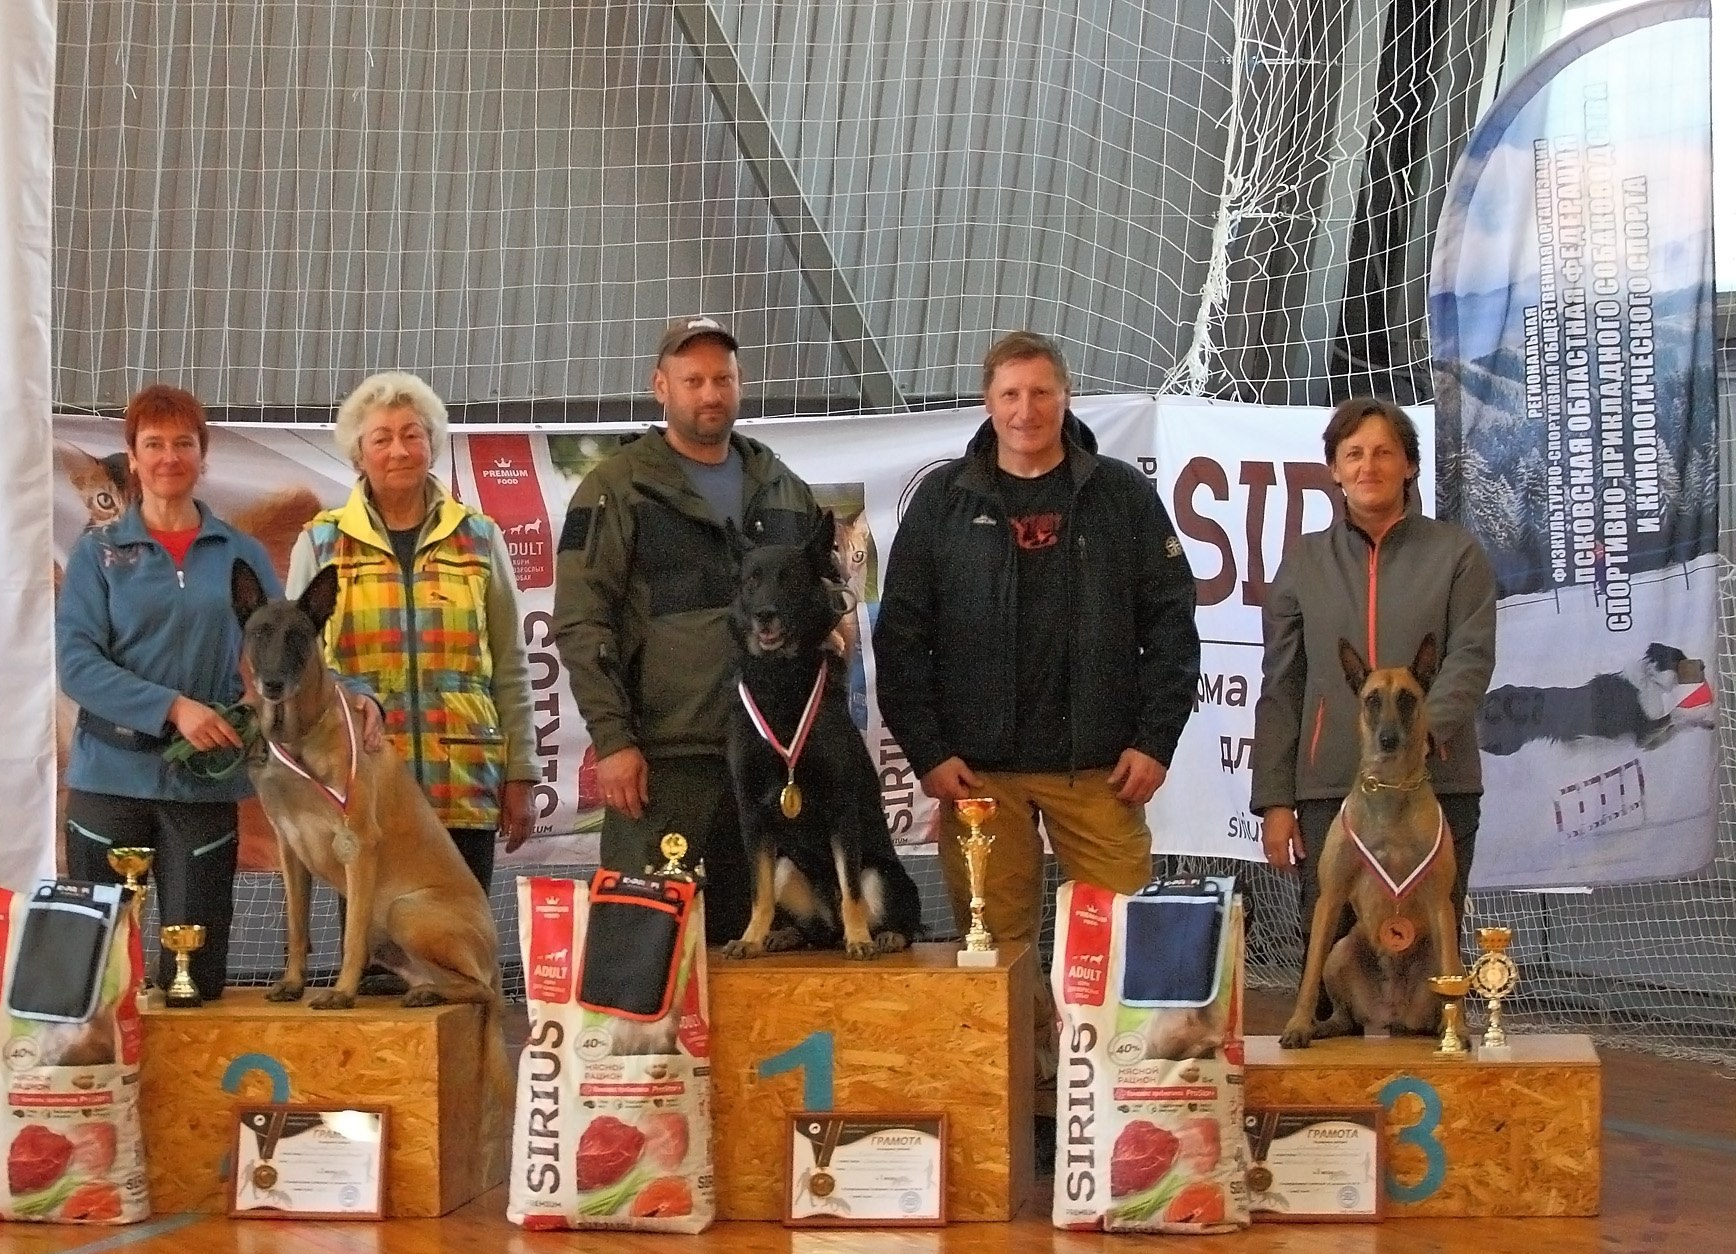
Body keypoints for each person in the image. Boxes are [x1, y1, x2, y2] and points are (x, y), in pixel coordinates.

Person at [873, 331, 1199, 1077]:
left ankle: (1117, 1093)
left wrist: (1155, 740)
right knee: (995, 953)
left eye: (1041, 392)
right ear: (988, 403)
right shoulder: (942, 501)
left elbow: (1172, 627)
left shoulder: (1121, 495)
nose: (1027, 410)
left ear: (1066, 396)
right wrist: (929, 753)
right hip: (980, 779)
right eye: (1011, 394)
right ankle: (1021, 1100)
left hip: (1101, 772)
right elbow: (901, 640)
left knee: (1122, 939)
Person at [554, 316, 820, 944]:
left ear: (740, 385)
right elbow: (582, 621)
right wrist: (613, 742)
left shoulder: (784, 487)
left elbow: (826, 591)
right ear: (661, 387)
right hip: (663, 758)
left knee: (773, 957)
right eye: (693, 380)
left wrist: (833, 622)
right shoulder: (616, 488)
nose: (710, 394)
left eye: (722, 380)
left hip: (773, 758)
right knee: (640, 948)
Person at [1252, 396, 1496, 974]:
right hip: (1331, 790)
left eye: (1384, 452)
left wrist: (1422, 734)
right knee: (1332, 972)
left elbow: (1471, 657)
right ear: (1334, 469)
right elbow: (1281, 685)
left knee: (1430, 972)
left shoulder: (1457, 554)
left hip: (1439, 785)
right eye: (1354, 453)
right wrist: (1276, 800)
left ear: (1409, 465)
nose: (1369, 466)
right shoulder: (1304, 561)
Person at [57, 383, 280, 1002]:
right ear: (132, 458)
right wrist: (173, 709)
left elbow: (285, 643)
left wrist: (346, 696)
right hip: (109, 781)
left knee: (196, 981)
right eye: (153, 444)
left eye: (184, 443)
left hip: (203, 786)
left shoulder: (241, 553)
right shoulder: (97, 555)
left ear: (203, 456)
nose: (169, 457)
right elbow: (76, 665)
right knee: (96, 980)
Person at [285, 371, 541, 894]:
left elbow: (510, 665)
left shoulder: (479, 537)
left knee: (460, 937)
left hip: (464, 783)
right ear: (359, 455)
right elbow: (298, 671)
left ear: (432, 445)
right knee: (373, 941)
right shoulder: (321, 543)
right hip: (363, 788)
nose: (399, 450)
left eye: (412, 435)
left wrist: (520, 772)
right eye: (381, 439)